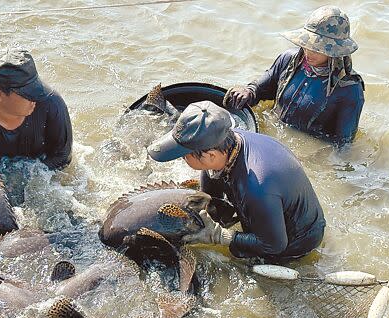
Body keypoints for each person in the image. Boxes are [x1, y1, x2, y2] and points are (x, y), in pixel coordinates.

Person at [146, 101, 325, 262]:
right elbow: (210, 179)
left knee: (238, 255)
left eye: (184, 157)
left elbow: (275, 245)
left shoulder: (256, 188)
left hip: (295, 241)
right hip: (269, 210)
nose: (181, 160)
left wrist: (221, 236)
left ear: (210, 155)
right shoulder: (227, 140)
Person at [223, 5, 364, 147]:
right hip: (273, 130)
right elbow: (261, 89)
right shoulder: (289, 59)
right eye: (307, 44)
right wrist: (248, 91)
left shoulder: (350, 89)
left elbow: (343, 145)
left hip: (307, 149)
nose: (308, 52)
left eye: (317, 48)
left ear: (335, 51)